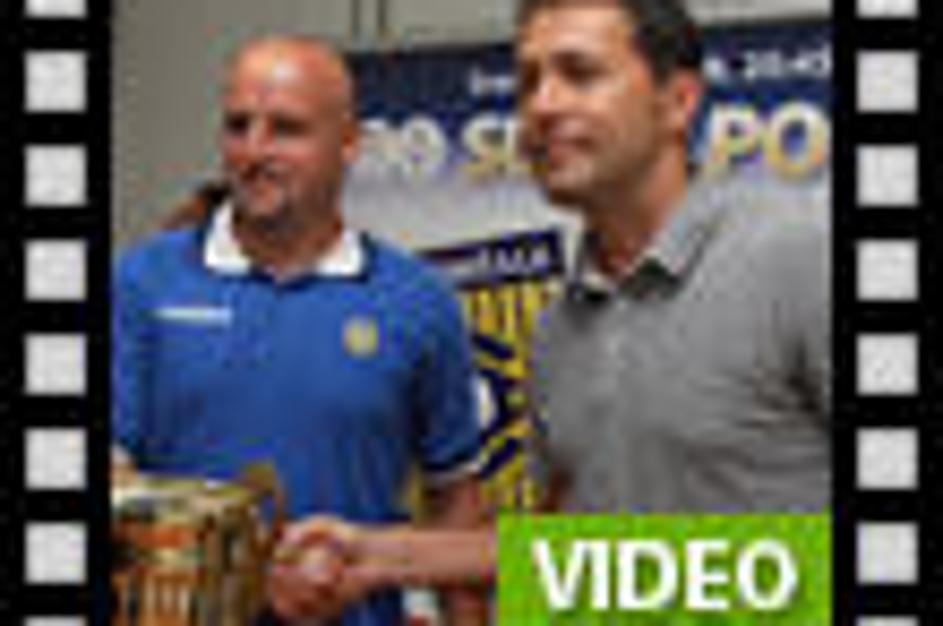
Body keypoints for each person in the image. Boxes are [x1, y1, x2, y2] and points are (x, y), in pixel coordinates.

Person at [270, 0, 831, 616]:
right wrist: (376, 557)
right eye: (528, 81)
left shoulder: (800, 256)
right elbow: (571, 552)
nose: (541, 106)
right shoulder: (557, 330)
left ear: (677, 101)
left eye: (579, 74)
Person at [111, 35, 486, 626]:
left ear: (349, 144)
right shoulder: (141, 282)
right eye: (238, 126)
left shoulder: (420, 301)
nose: (253, 151)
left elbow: (455, 503)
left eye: (285, 129)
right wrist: (238, 572)